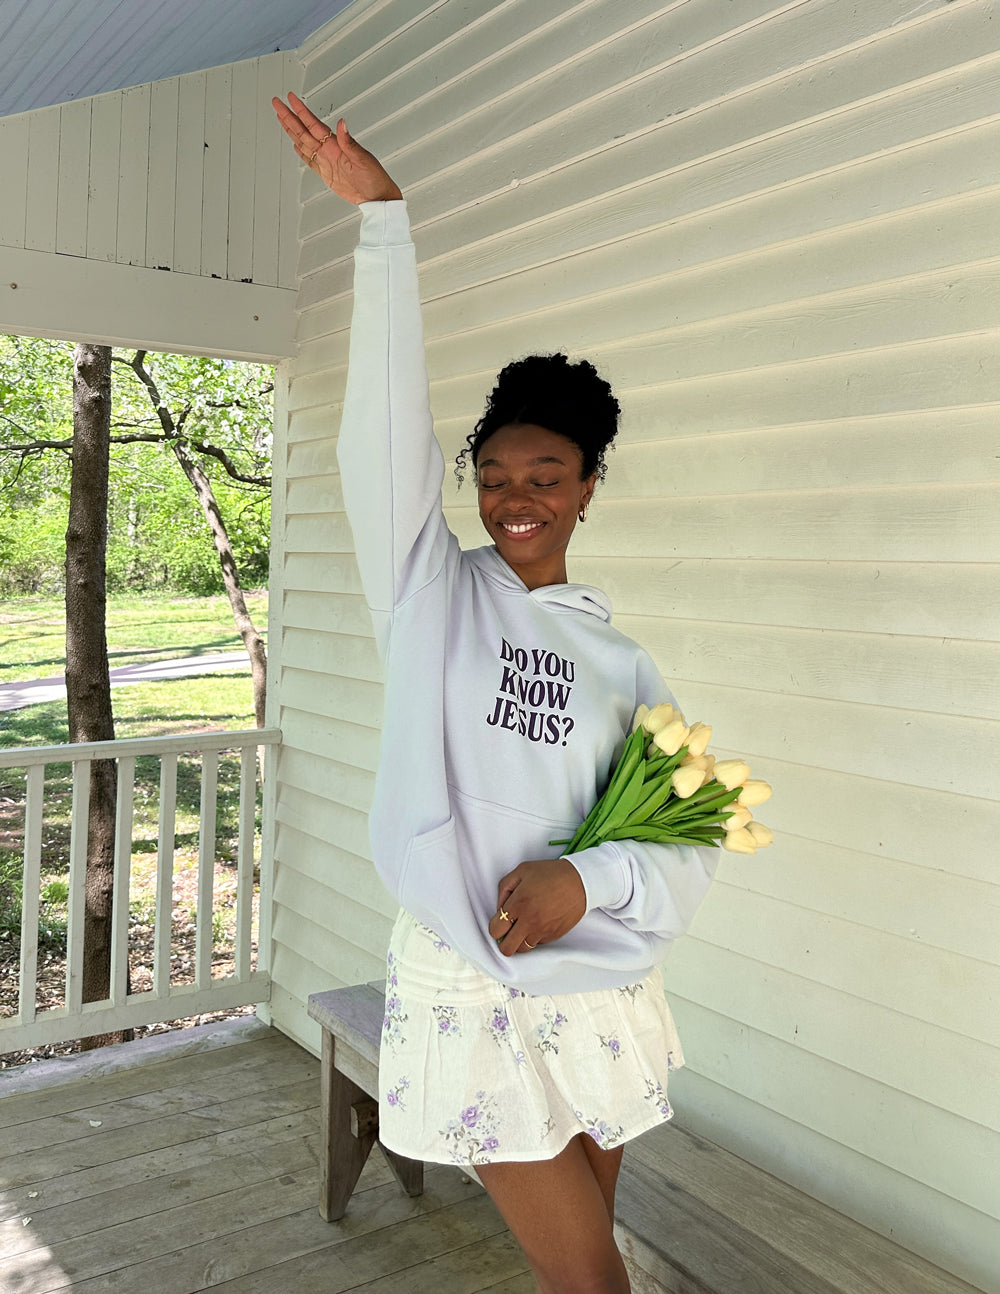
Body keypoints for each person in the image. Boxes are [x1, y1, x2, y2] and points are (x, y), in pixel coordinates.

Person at [273, 92, 718, 1294]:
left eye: (547, 474)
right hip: (471, 981)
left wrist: (592, 877)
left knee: (577, 1278)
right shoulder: (433, 594)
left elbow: (691, 833)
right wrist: (382, 227)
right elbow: (378, 444)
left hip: (601, 985)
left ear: (585, 488)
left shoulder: (626, 669)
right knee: (590, 1279)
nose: (515, 495)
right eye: (494, 473)